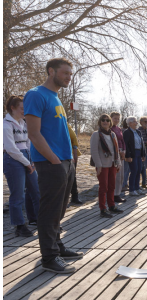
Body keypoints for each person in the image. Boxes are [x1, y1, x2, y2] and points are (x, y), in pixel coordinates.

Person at [25, 57, 84, 273]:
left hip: (65, 161)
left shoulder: (56, 98)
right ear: (51, 71)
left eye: (70, 74)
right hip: (51, 162)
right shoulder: (35, 94)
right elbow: (33, 133)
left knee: (59, 209)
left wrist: (69, 157)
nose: (69, 77)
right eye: (65, 73)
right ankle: (49, 258)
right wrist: (54, 160)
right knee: (49, 210)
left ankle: (57, 247)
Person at [3, 95, 40, 237]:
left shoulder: (24, 123)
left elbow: (28, 141)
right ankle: (19, 226)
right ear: (12, 108)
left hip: (26, 157)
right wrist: (26, 162)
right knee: (17, 195)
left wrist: (31, 160)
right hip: (12, 159)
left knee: (36, 191)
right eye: (22, 108)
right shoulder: (6, 124)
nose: (24, 111)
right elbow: (11, 148)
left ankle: (41, 221)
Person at [90, 114, 124, 218]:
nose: (105, 122)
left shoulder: (112, 134)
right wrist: (98, 165)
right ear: (100, 122)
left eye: (107, 120)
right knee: (103, 187)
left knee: (112, 186)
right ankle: (102, 209)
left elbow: (116, 150)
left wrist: (118, 162)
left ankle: (111, 205)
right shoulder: (96, 134)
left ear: (110, 122)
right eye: (103, 120)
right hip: (102, 165)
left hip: (112, 164)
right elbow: (94, 151)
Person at [123, 116, 146, 196]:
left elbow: (142, 144)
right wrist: (128, 156)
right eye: (135, 122)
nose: (137, 123)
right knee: (134, 171)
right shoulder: (127, 132)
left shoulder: (138, 132)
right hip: (132, 154)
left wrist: (143, 154)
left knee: (139, 170)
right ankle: (132, 190)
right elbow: (126, 144)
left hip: (139, 153)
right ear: (130, 123)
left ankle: (137, 188)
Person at [110, 111, 126, 203]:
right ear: (111, 118)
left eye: (118, 119)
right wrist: (118, 151)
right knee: (116, 175)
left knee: (121, 175)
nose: (116, 120)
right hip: (114, 153)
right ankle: (114, 195)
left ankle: (118, 193)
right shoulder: (110, 129)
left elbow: (122, 141)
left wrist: (124, 151)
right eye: (115, 118)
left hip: (121, 153)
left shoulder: (119, 129)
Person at [68, 124, 83, 204]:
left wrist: (75, 152)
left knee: (72, 176)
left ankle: (74, 196)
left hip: (70, 155)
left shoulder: (66, 125)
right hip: (56, 155)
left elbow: (74, 139)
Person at [121, 118, 130, 191]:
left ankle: (125, 183)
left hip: (128, 152)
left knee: (127, 169)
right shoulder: (124, 131)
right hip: (125, 152)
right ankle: (123, 184)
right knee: (125, 169)